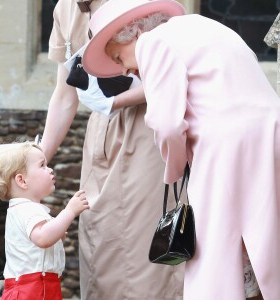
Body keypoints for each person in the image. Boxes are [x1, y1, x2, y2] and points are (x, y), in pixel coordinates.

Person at [82, 0, 280, 299]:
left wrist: (175, 167)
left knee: (217, 251)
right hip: (270, 137)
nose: (125, 69)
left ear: (133, 32)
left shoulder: (152, 42)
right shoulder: (206, 26)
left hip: (224, 150)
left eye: (118, 56)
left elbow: (167, 123)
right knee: (265, 238)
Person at [40, 0, 185, 299]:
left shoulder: (146, 4)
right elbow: (65, 96)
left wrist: (113, 102)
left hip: (150, 130)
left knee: (147, 249)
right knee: (100, 242)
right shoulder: (65, 8)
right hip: (100, 139)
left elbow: (177, 70)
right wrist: (37, 158)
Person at [0, 141, 89, 300]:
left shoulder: (26, 209)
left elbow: (41, 241)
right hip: (30, 290)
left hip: (42, 286)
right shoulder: (26, 209)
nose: (50, 169)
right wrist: (69, 211)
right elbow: (43, 238)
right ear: (22, 181)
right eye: (42, 165)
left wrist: (57, 232)